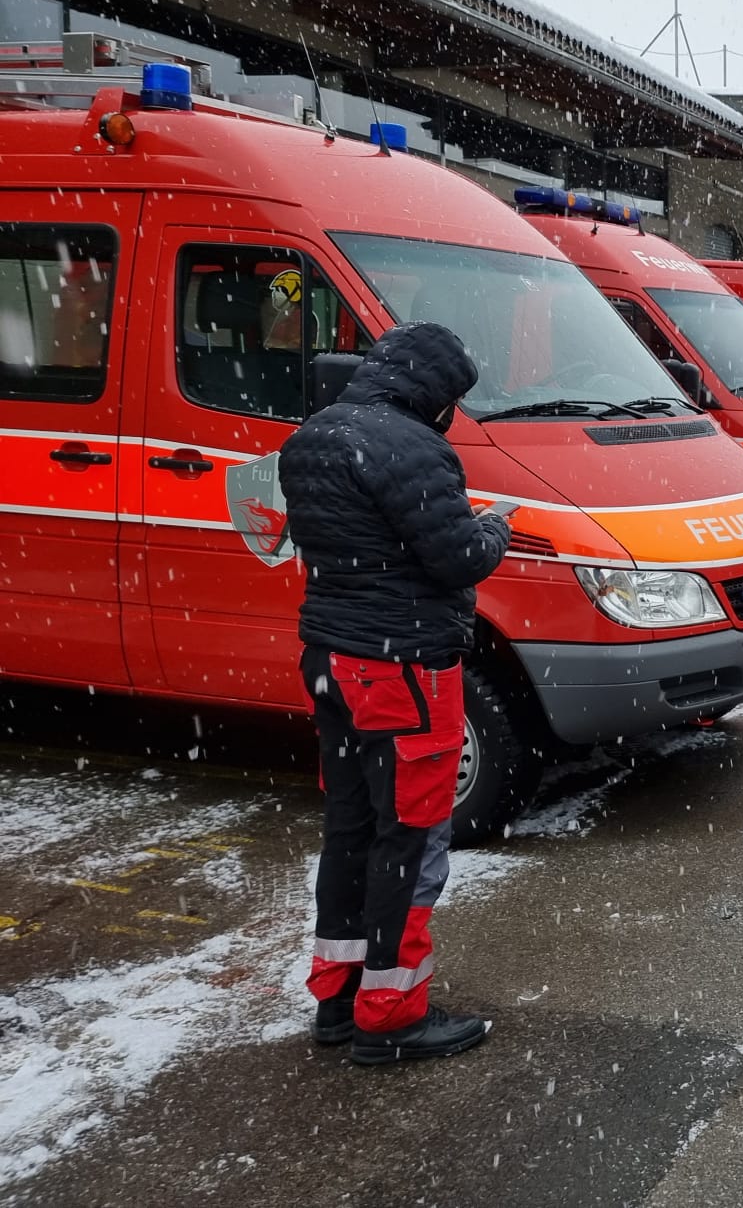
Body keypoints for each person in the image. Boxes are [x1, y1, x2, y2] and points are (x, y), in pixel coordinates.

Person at [277, 321, 512, 1066]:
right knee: (408, 840)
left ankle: (339, 998)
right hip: (403, 670)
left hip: (332, 659)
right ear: (435, 391)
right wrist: (494, 530)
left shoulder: (313, 436)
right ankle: (391, 1016)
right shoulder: (413, 447)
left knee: (350, 831)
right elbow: (458, 559)